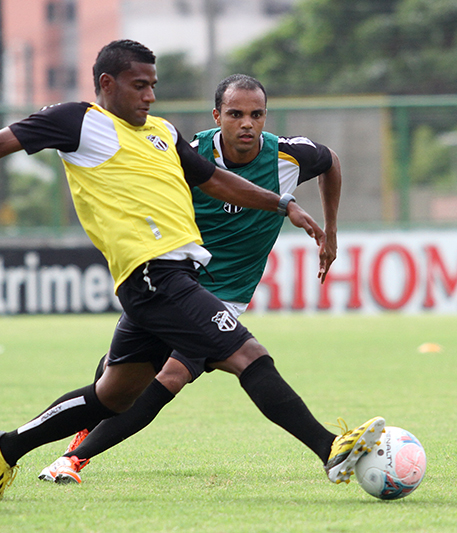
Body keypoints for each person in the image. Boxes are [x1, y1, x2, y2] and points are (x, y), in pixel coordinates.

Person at [0, 40, 383, 500]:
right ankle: (330, 449)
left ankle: (8, 446)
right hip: (153, 275)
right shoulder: (77, 121)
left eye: (154, 85)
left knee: (114, 393)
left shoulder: (162, 132)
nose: (150, 96)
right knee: (247, 353)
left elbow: (214, 181)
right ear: (107, 84)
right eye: (140, 85)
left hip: (170, 277)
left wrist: (282, 204)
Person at [38, 73, 346, 484]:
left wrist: (331, 234)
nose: (247, 124)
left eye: (256, 114)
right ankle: (80, 430)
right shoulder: (188, 155)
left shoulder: (287, 158)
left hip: (226, 296)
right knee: (119, 376)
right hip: (173, 281)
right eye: (235, 114)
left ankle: (72, 459)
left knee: (171, 375)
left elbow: (331, 163)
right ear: (217, 115)